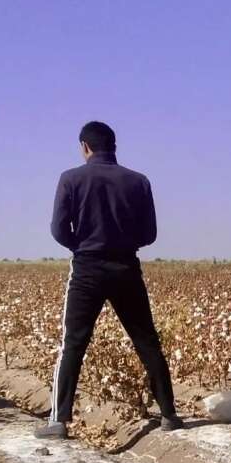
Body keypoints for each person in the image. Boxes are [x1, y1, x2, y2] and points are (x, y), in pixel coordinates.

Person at [36, 121, 182, 439]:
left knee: (73, 343)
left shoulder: (71, 179)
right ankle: (170, 414)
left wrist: (83, 246)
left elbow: (59, 229)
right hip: (126, 268)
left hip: (87, 269)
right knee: (147, 342)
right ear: (113, 147)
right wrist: (124, 245)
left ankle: (58, 421)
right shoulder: (139, 181)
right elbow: (150, 234)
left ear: (85, 147)